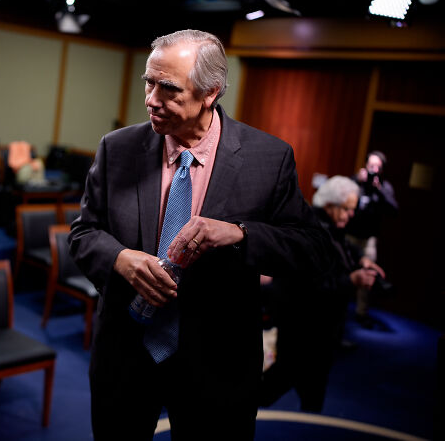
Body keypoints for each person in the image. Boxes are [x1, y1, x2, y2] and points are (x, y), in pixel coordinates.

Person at [68, 29, 334, 439]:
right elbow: (84, 233)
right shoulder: (116, 148)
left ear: (210, 93)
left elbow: (314, 249)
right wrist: (121, 259)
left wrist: (242, 234)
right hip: (125, 355)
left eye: (168, 88)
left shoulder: (269, 158)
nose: (151, 100)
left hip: (218, 363)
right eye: (148, 82)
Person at [259, 175, 386, 412]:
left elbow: (347, 248)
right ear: (330, 205)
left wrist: (363, 259)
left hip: (319, 328)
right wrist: (351, 280)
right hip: (303, 323)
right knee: (284, 381)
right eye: (347, 210)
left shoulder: (330, 227)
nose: (350, 215)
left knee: (305, 386)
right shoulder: (314, 231)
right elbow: (310, 286)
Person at [345, 150, 398, 328]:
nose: (373, 169)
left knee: (368, 275)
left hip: (369, 239)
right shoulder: (355, 181)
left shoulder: (384, 187)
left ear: (381, 170)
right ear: (365, 166)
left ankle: (361, 313)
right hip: (349, 235)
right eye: (371, 165)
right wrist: (356, 181)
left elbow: (394, 209)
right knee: (344, 272)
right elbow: (341, 195)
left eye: (377, 167)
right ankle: (338, 312)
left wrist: (379, 189)